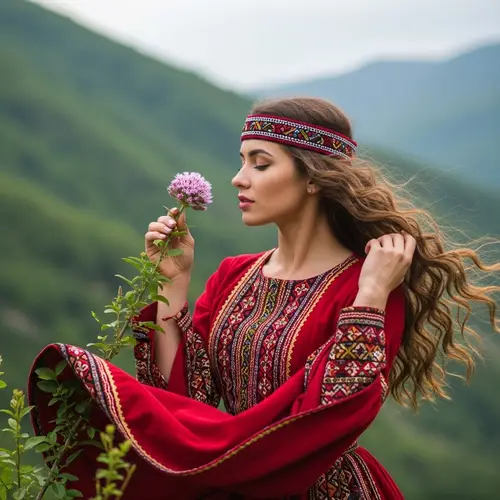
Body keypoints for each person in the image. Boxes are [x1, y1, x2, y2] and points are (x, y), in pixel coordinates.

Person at [28, 97, 499, 500]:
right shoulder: (235, 274)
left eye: (260, 162)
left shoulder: (367, 284)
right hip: (231, 478)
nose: (238, 178)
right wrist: (171, 283)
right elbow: (185, 403)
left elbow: (335, 412)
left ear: (313, 178)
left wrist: (373, 293)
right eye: (241, 161)